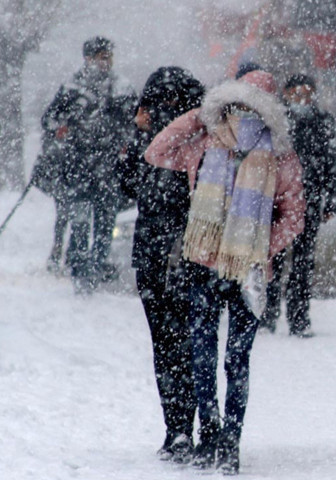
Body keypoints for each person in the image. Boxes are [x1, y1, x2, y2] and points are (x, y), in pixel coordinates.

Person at [145, 70, 305, 475]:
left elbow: (295, 216)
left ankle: (219, 437)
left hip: (230, 270)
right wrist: (201, 115)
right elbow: (157, 150)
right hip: (223, 269)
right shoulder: (217, 143)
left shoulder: (262, 151)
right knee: (225, 358)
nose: (240, 111)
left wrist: (255, 248)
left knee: (217, 356)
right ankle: (222, 438)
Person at [117, 66, 205, 463]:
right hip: (156, 255)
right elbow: (124, 185)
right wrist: (137, 133)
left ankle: (192, 425)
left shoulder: (199, 139)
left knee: (184, 344)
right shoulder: (149, 141)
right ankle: (178, 428)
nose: (165, 108)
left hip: (188, 254)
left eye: (172, 101)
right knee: (168, 346)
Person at [40, 36, 136, 292]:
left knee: (105, 226)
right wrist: (61, 128)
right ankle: (81, 273)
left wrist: (126, 141)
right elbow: (49, 120)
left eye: (109, 57)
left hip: (108, 170)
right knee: (81, 224)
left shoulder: (122, 87)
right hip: (78, 169)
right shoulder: (72, 88)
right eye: (102, 57)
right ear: (89, 59)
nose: (107, 62)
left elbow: (134, 124)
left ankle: (94, 270)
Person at [260, 74, 336, 337]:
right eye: (298, 93)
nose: (304, 99)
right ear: (287, 93)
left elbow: (331, 162)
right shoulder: (276, 121)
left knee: (303, 263)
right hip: (278, 202)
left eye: (308, 93)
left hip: (309, 200)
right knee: (274, 259)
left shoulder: (322, 122)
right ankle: (268, 314)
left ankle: (299, 317)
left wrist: (331, 199)